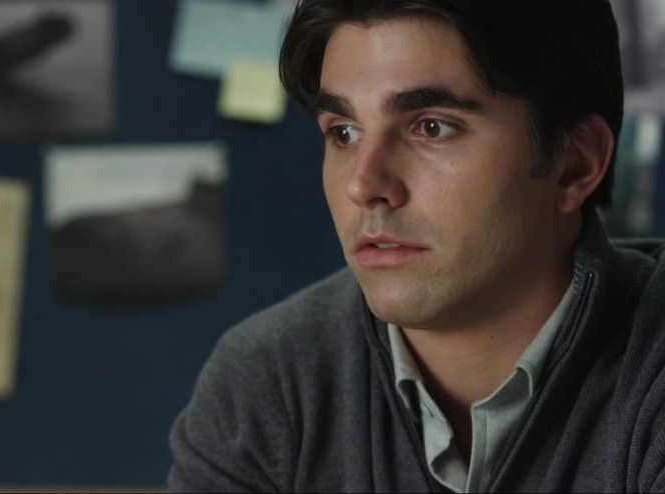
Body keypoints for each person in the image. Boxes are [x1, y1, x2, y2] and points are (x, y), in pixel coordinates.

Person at [169, 0, 665, 491]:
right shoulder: (267, 388)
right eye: (344, 133)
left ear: (575, 164)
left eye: (432, 127)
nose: (364, 185)